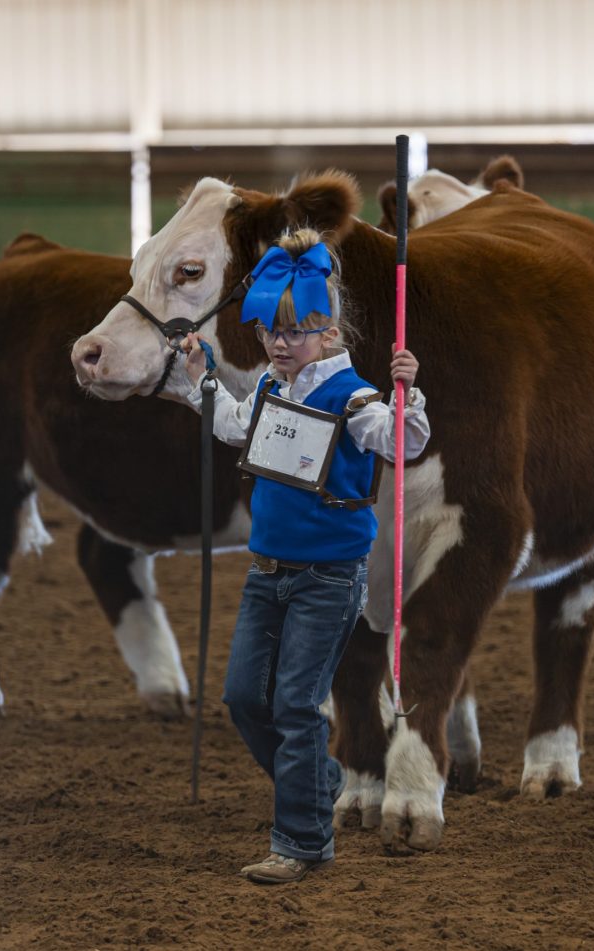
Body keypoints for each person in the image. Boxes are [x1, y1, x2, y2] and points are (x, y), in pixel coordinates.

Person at [179, 228, 430, 883]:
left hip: (327, 576)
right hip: (266, 572)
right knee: (243, 698)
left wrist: (408, 391)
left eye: (292, 331)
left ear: (330, 329)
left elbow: (402, 442)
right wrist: (201, 380)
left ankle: (302, 838)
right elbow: (235, 425)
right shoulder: (268, 386)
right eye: (269, 330)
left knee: (294, 704)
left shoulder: (353, 399)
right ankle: (317, 782)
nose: (277, 342)